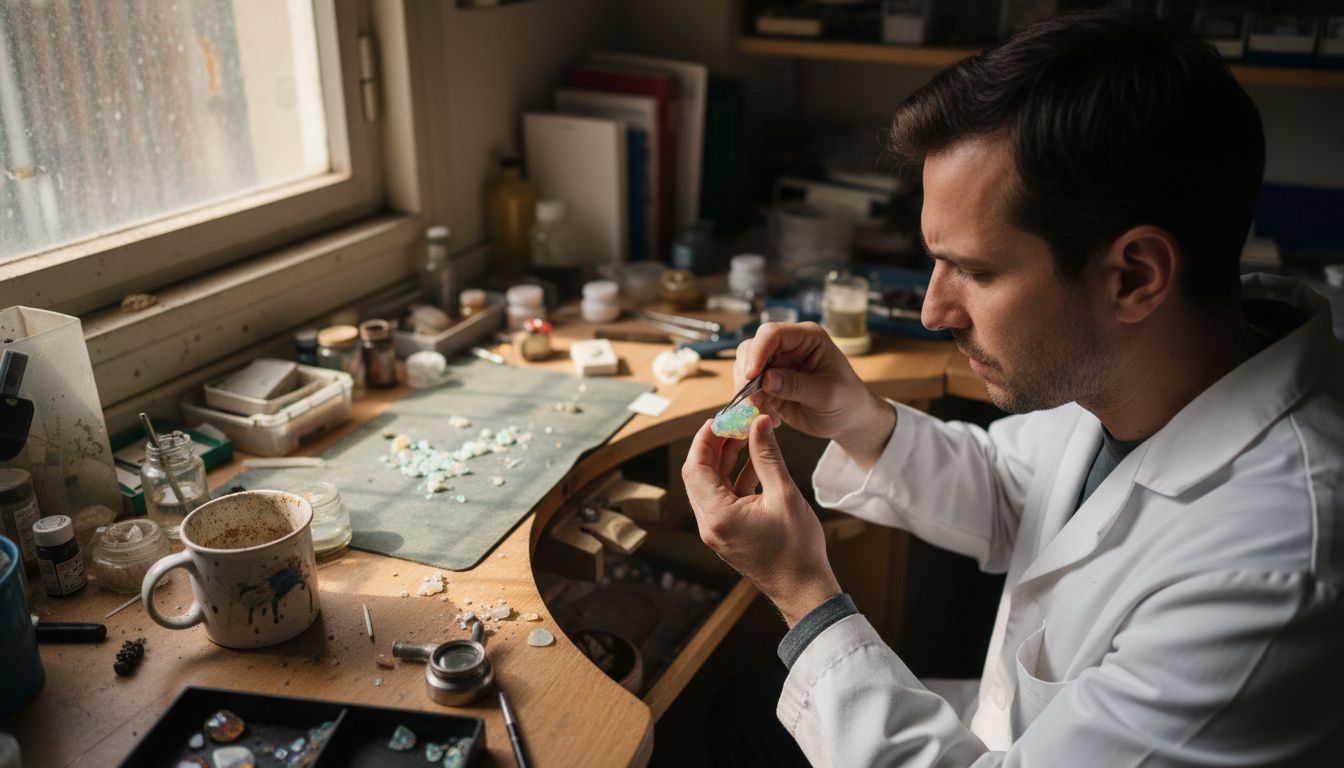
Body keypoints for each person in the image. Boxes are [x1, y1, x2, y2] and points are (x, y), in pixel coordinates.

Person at [683, 9, 1344, 767]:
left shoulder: (1272, 572)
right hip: (1009, 728)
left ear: (1134, 276)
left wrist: (803, 594)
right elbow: (1016, 490)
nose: (932, 311)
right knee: (743, 710)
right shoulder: (1138, 363)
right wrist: (858, 418)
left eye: (976, 270)